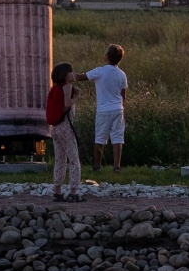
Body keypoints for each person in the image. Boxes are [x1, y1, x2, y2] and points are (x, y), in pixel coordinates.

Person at [85, 44, 128, 173]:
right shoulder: (121, 74)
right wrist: (120, 105)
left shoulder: (99, 71)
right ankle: (117, 166)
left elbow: (82, 77)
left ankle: (97, 166)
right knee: (117, 138)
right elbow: (123, 95)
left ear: (107, 56)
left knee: (100, 137)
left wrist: (69, 74)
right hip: (118, 109)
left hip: (103, 110)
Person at [46, 62, 82, 203]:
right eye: (71, 72)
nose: (73, 74)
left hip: (55, 129)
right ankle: (73, 192)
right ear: (65, 75)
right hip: (66, 128)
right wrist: (77, 95)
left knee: (60, 160)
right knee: (74, 160)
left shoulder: (55, 88)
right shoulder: (67, 87)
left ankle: (57, 191)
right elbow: (67, 104)